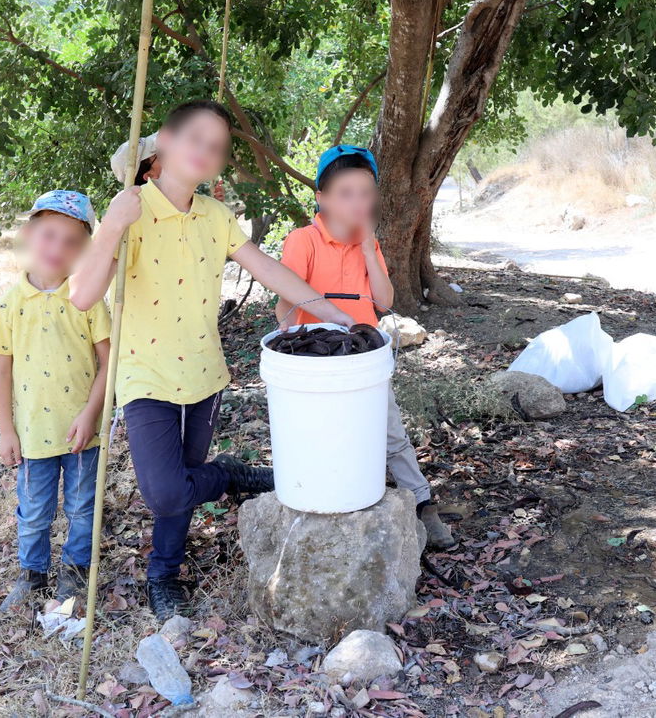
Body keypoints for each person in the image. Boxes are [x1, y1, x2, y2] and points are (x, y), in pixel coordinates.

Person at [70, 100, 356, 620]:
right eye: (195, 137)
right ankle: (227, 477)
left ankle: (165, 572)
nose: (206, 150)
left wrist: (331, 313)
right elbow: (83, 297)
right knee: (164, 492)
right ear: (164, 142)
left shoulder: (217, 216)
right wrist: (111, 225)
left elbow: (268, 269)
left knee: (180, 484)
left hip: (204, 372)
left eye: (218, 146)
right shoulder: (130, 211)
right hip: (144, 375)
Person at [274, 145, 456, 549]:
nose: (357, 202)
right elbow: (285, 304)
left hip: (364, 354)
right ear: (321, 198)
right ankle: (325, 493)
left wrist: (369, 245)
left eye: (365, 192)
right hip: (316, 360)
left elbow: (383, 300)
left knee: (388, 429)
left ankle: (422, 501)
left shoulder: (367, 243)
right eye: (344, 192)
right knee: (323, 433)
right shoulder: (303, 241)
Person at [0, 190, 113, 612]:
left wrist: (91, 414)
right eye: (49, 235)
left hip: (81, 433)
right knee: (34, 510)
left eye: (73, 241)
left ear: (86, 249)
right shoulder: (8, 305)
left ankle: (73, 576)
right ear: (29, 234)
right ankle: (31, 573)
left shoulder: (87, 300)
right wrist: (6, 430)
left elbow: (110, 362)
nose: (58, 249)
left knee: (81, 508)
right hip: (33, 434)